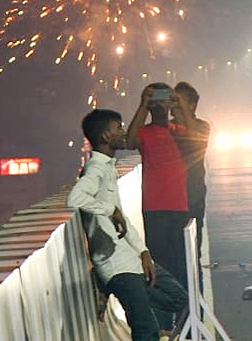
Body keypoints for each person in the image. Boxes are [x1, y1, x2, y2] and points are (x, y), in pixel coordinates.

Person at [69, 109, 160, 341]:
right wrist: (110, 209)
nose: (123, 132)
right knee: (145, 328)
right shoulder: (96, 169)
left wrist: (143, 252)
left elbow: (123, 220)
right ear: (105, 137)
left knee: (175, 297)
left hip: (128, 258)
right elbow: (75, 198)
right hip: (117, 266)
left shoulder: (108, 166)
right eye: (118, 127)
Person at [126, 84, 190, 307]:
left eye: (165, 100)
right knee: (159, 268)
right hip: (154, 209)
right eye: (158, 101)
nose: (162, 105)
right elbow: (129, 141)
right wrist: (143, 105)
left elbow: (196, 138)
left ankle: (185, 315)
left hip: (180, 206)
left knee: (182, 266)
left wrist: (179, 105)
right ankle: (164, 318)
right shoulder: (145, 132)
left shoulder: (179, 131)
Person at [171, 81, 211, 265]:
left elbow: (195, 138)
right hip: (169, 199)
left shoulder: (202, 126)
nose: (174, 105)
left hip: (192, 194)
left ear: (192, 105)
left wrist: (183, 113)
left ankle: (196, 290)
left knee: (193, 254)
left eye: (178, 101)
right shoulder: (165, 128)